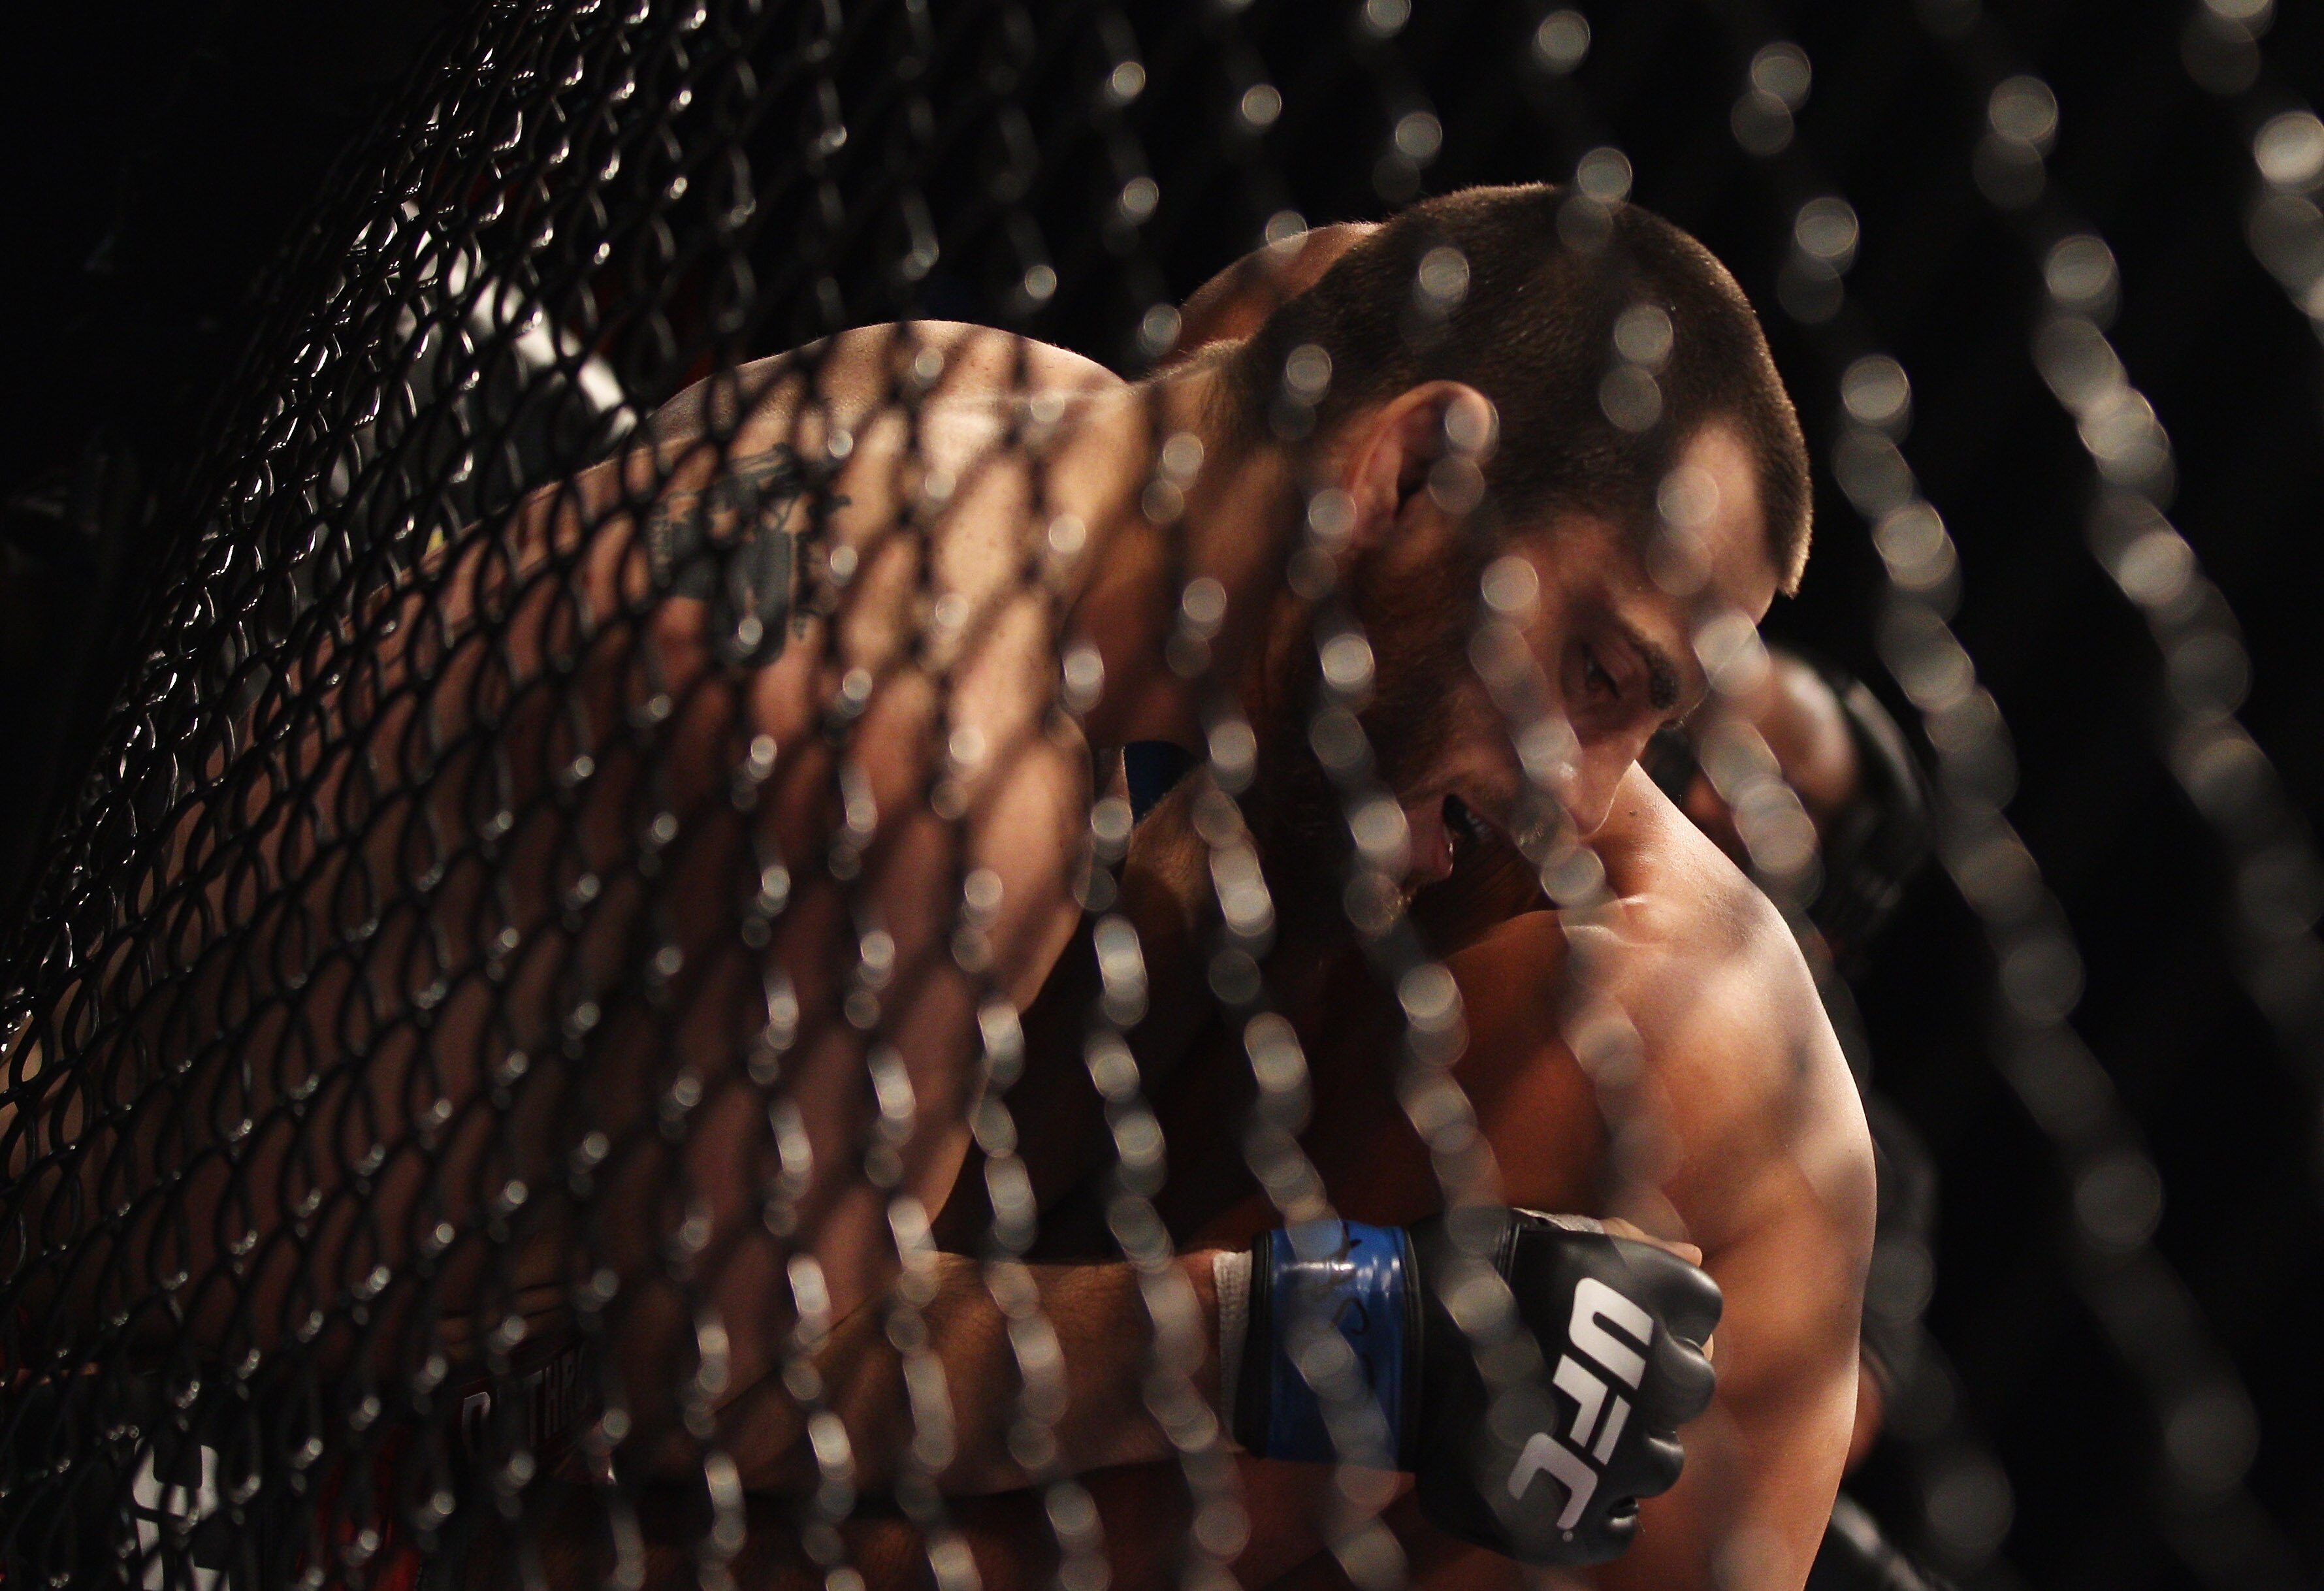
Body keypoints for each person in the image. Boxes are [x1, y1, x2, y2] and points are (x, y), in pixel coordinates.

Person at [1, 185, 1807, 1583]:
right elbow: (722, 1388)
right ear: (1408, 465)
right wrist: (1343, 1324)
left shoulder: (975, 391)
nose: (1585, 801)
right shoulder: (940, 756)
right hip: (103, 1424)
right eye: (1599, 674)